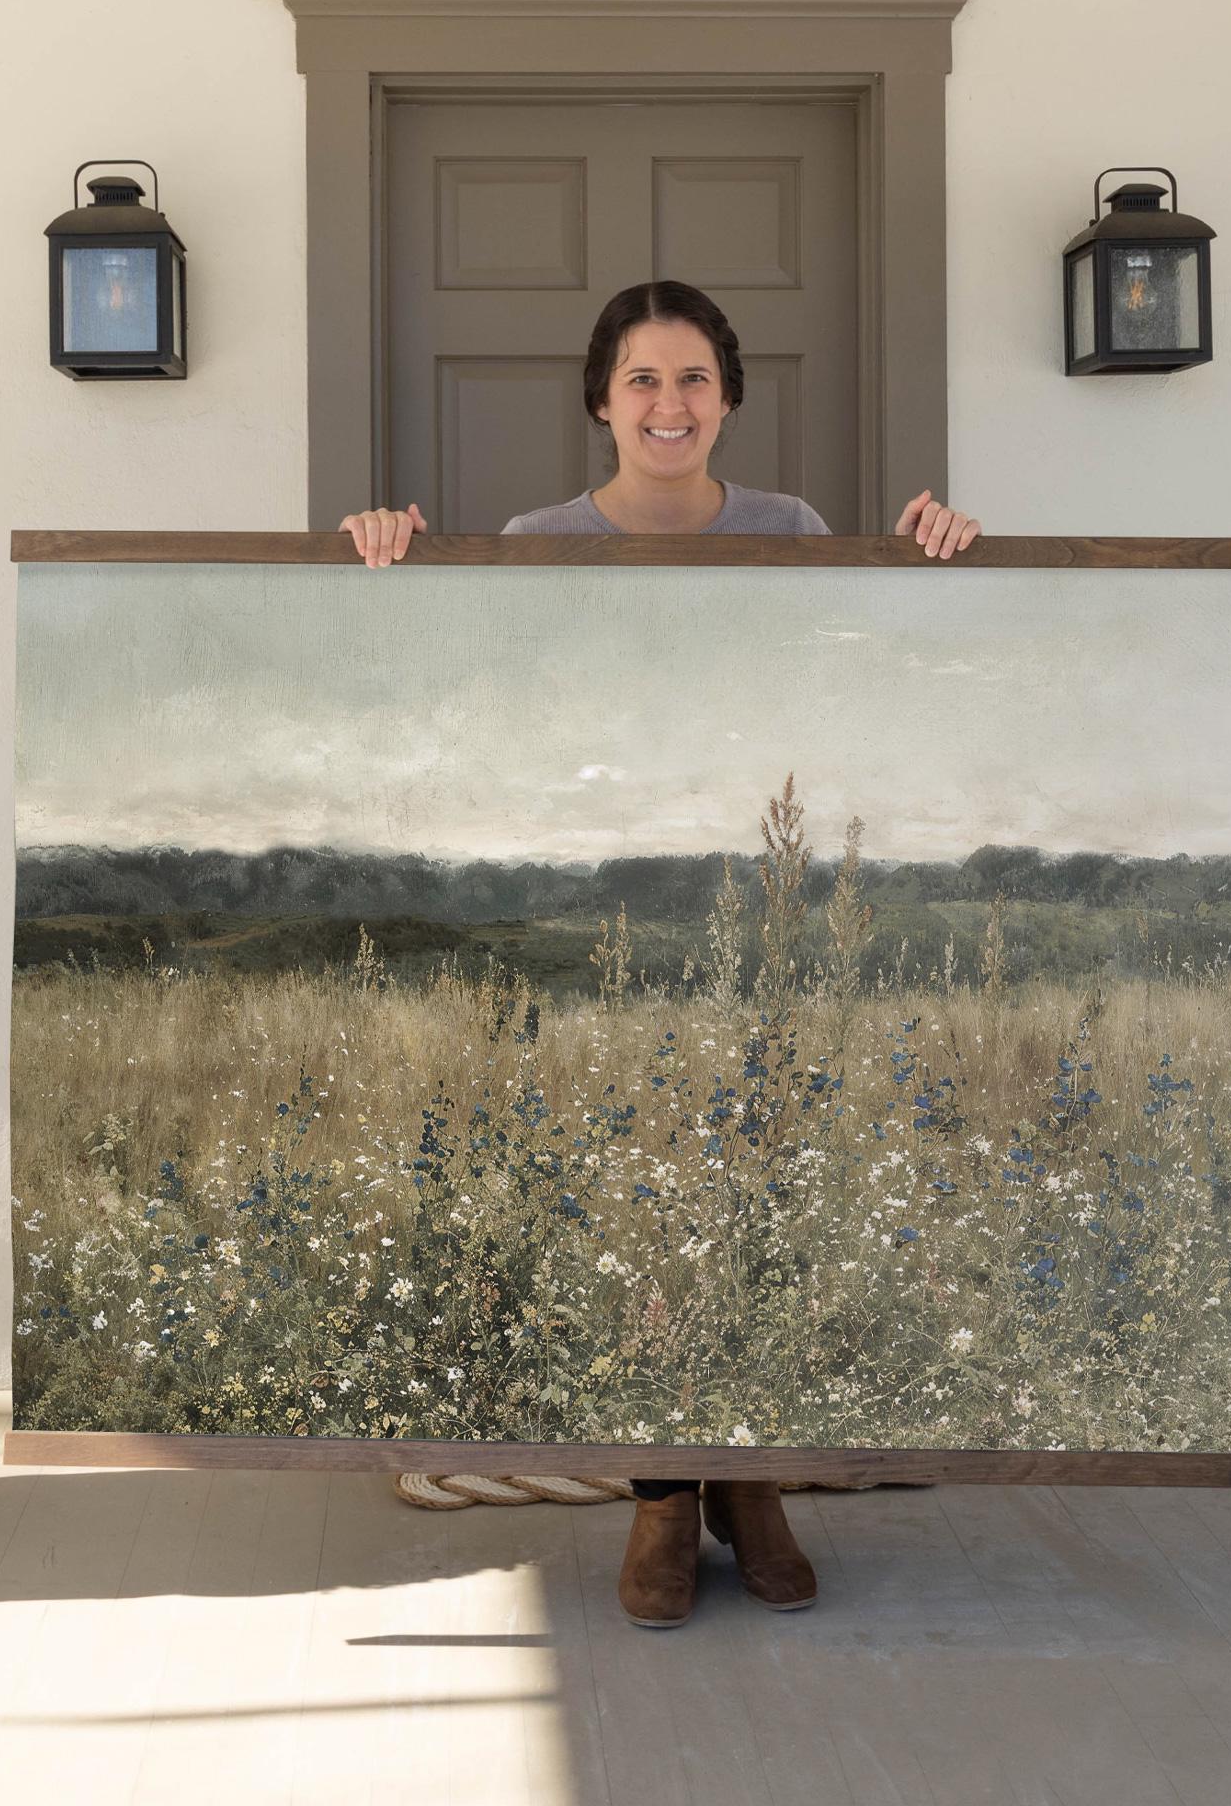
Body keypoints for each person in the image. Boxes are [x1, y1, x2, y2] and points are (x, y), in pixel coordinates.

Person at [340, 278, 982, 1627]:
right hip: (609, 915)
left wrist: (933, 556)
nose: (669, 405)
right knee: (637, 1189)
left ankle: (752, 1483)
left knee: (761, 1182)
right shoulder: (532, 541)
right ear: (600, 400)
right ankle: (661, 1499)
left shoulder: (796, 533)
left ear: (730, 398)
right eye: (641, 379)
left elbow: (859, 685)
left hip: (763, 907)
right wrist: (397, 553)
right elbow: (479, 706)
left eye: (692, 378)